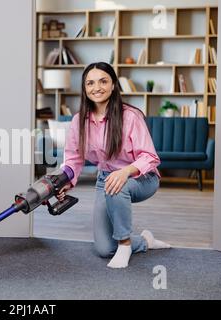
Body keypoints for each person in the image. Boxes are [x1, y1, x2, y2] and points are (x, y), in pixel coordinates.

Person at [57, 62, 171, 269]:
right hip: (106, 180)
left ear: (113, 85)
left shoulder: (130, 116)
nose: (96, 87)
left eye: (103, 81)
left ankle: (125, 244)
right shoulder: (78, 121)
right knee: (104, 249)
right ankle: (144, 241)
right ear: (84, 88)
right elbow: (73, 157)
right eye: (90, 83)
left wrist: (125, 171)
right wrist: (66, 180)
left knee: (116, 185)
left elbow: (149, 157)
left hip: (142, 178)